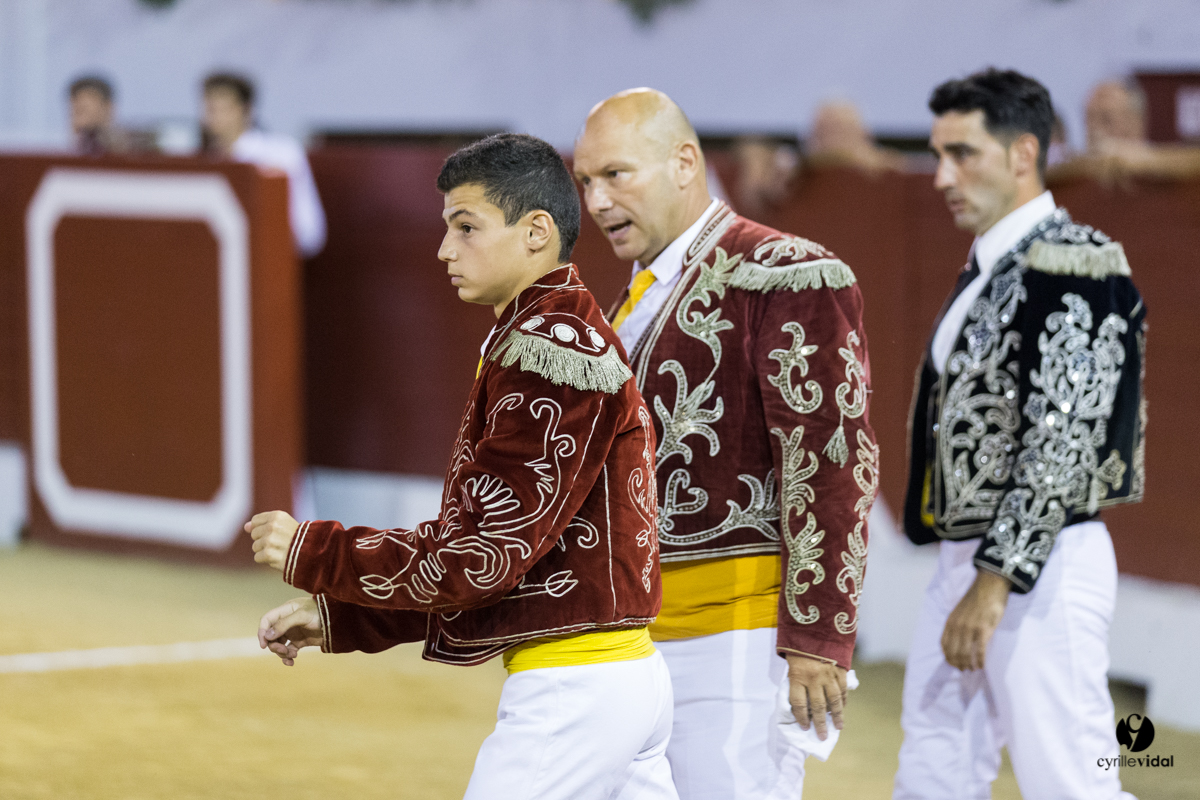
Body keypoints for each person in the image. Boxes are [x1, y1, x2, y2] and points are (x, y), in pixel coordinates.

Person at [249, 133, 677, 800]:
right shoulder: (545, 335)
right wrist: (348, 617)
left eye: (467, 227)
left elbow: (483, 557)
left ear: (536, 232)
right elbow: (502, 563)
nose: (446, 249)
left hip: (575, 691)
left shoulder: (547, 352)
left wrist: (319, 551)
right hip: (612, 679)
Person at [574, 88, 876, 800]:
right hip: (633, 643)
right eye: (586, 180)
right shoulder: (636, 294)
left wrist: (817, 639)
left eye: (617, 174)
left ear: (684, 163)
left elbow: (831, 464)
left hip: (735, 650)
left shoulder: (785, 273)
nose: (596, 199)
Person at [896, 68, 1147, 800]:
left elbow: (1064, 441)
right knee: (934, 769)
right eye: (938, 153)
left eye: (962, 153)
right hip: (967, 560)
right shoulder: (995, 263)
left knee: (1073, 782)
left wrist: (995, 580)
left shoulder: (1076, 262)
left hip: (1036, 566)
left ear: (1022, 153)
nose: (942, 176)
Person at [201, 72, 327, 257]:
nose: (217, 117)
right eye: (212, 109)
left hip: (269, 263)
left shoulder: (281, 154)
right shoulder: (206, 162)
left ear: (246, 110)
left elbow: (309, 233)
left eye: (225, 109)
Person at [806, 100, 909, 173]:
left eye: (843, 131)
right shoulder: (799, 173)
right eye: (827, 130)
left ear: (864, 133)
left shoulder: (891, 165)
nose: (836, 139)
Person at [68, 75, 132, 155]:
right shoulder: (83, 144)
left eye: (89, 97)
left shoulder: (128, 146)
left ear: (108, 106)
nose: (78, 105)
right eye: (75, 100)